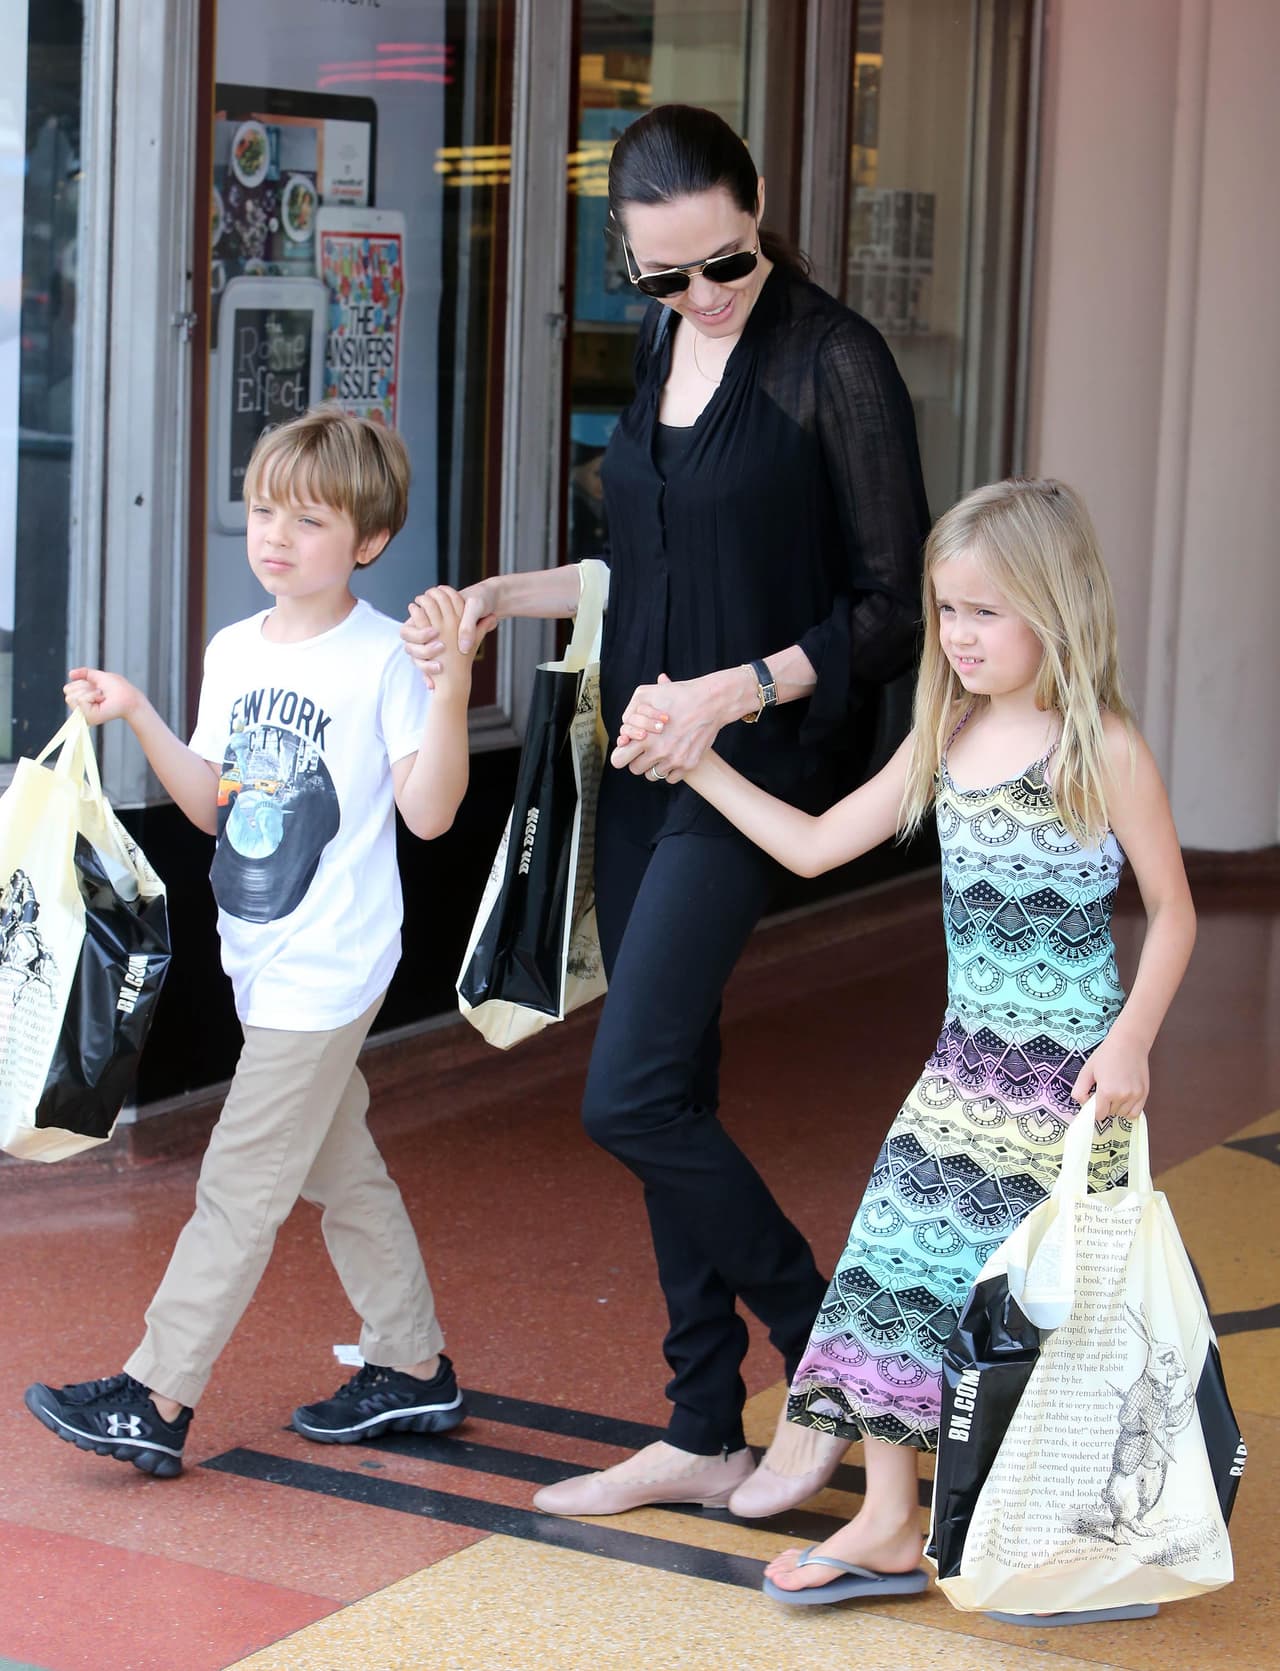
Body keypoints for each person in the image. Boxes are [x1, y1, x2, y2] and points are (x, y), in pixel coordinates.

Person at [404, 103, 929, 1513]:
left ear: (762, 221)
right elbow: (641, 555)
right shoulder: (658, 345)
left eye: (727, 265)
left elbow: (891, 612)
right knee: (671, 1087)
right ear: (627, 267)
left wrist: (732, 693)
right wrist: (508, 599)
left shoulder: (835, 360)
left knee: (626, 1089)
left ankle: (838, 1365)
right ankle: (704, 1419)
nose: (700, 297)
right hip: (637, 751)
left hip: (754, 765)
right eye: (664, 277)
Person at [626, 476, 1195, 1615]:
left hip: (1068, 1088)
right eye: (945, 611)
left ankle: (1082, 1534)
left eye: (986, 610)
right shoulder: (948, 734)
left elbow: (1174, 912)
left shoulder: (1101, 748)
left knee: (1056, 1313)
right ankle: (888, 1525)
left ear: (1056, 606)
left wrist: (1132, 1043)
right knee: (891, 1275)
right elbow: (815, 845)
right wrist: (701, 765)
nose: (959, 635)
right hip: (961, 1072)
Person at [24, 406, 475, 1478]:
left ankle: (156, 1394)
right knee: (340, 1165)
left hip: (329, 967)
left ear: (366, 541)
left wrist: (449, 686)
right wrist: (138, 714)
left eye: (308, 520)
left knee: (238, 1183)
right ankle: (413, 1368)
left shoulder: (381, 659)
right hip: (258, 954)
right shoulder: (234, 648)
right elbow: (218, 810)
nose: (274, 534)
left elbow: (430, 815)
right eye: (264, 508)